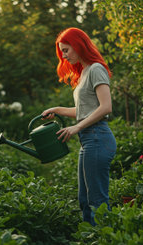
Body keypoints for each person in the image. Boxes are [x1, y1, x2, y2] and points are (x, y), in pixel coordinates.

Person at [42, 27, 117, 226]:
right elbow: (84, 110)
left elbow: (106, 107)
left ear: (79, 45)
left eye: (66, 50)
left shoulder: (96, 69)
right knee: (85, 200)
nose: (64, 56)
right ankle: (90, 237)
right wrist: (57, 109)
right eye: (62, 52)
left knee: (97, 202)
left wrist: (76, 128)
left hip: (98, 138)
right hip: (88, 140)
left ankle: (103, 238)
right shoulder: (84, 72)